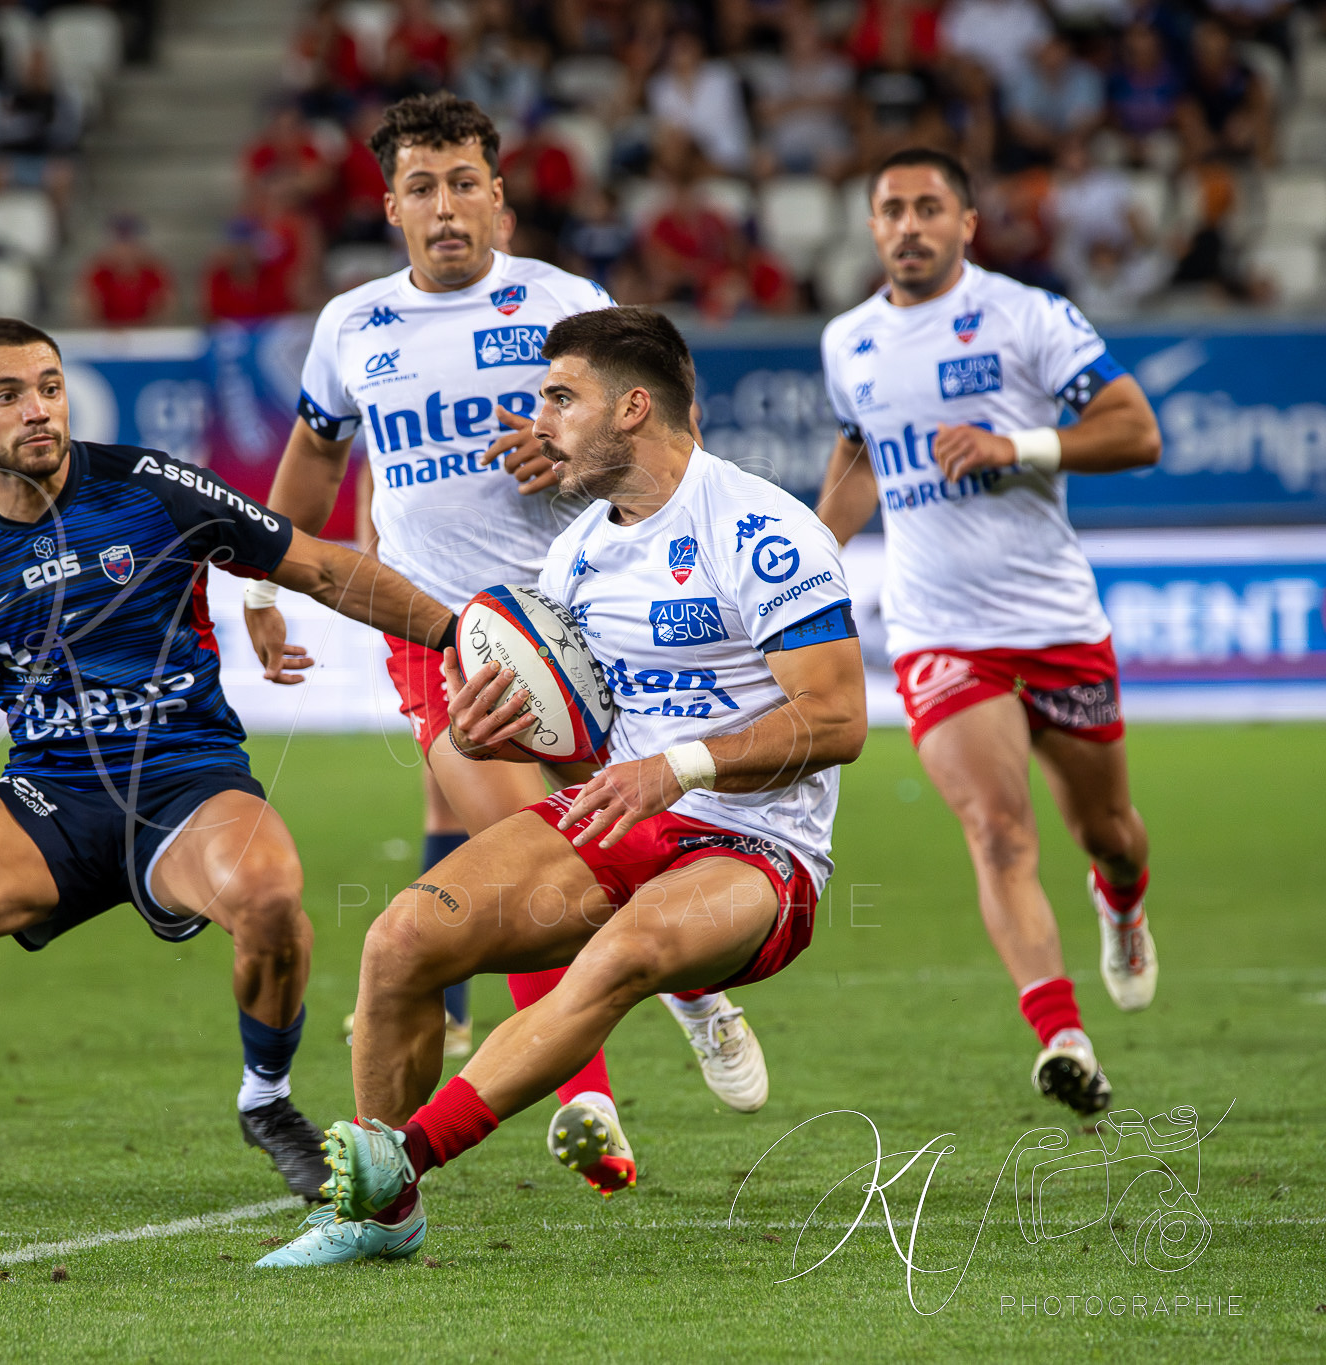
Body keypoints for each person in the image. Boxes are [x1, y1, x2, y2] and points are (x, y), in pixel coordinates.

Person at [0, 317, 461, 1247]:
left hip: (188, 780)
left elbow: (316, 565)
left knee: (274, 898)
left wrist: (455, 637)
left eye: (49, 385)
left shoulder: (151, 489)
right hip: (51, 796)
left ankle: (266, 1100)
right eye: (8, 395)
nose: (38, 409)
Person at [244, 93, 773, 1205]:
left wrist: (566, 448)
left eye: (465, 183)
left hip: (581, 626)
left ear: (500, 195)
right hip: (434, 634)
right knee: (526, 837)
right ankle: (582, 1092)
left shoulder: (562, 304)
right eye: (422, 188)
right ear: (390, 205)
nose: (446, 207)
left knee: (616, 836)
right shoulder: (350, 327)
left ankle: (686, 985)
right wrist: (264, 582)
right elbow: (310, 455)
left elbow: (662, 441)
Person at [255, 305, 866, 1266]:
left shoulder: (763, 528)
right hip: (622, 811)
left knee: (628, 949)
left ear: (631, 407)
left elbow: (836, 720)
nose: (538, 420)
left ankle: (396, 1164)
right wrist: (495, 731)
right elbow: (586, 743)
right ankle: (380, 1219)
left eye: (558, 398)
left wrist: (678, 767)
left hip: (758, 847)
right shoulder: (577, 552)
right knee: (400, 941)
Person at [815, 148, 1163, 1117]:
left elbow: (1136, 430)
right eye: (890, 209)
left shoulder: (1027, 316)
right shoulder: (847, 340)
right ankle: (1060, 1034)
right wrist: (808, 558)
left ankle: (1121, 902)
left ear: (966, 223)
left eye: (929, 208)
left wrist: (1019, 446)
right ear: (871, 224)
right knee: (995, 829)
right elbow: (855, 456)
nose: (908, 225)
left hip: (1054, 624)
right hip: (936, 629)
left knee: (1108, 832)